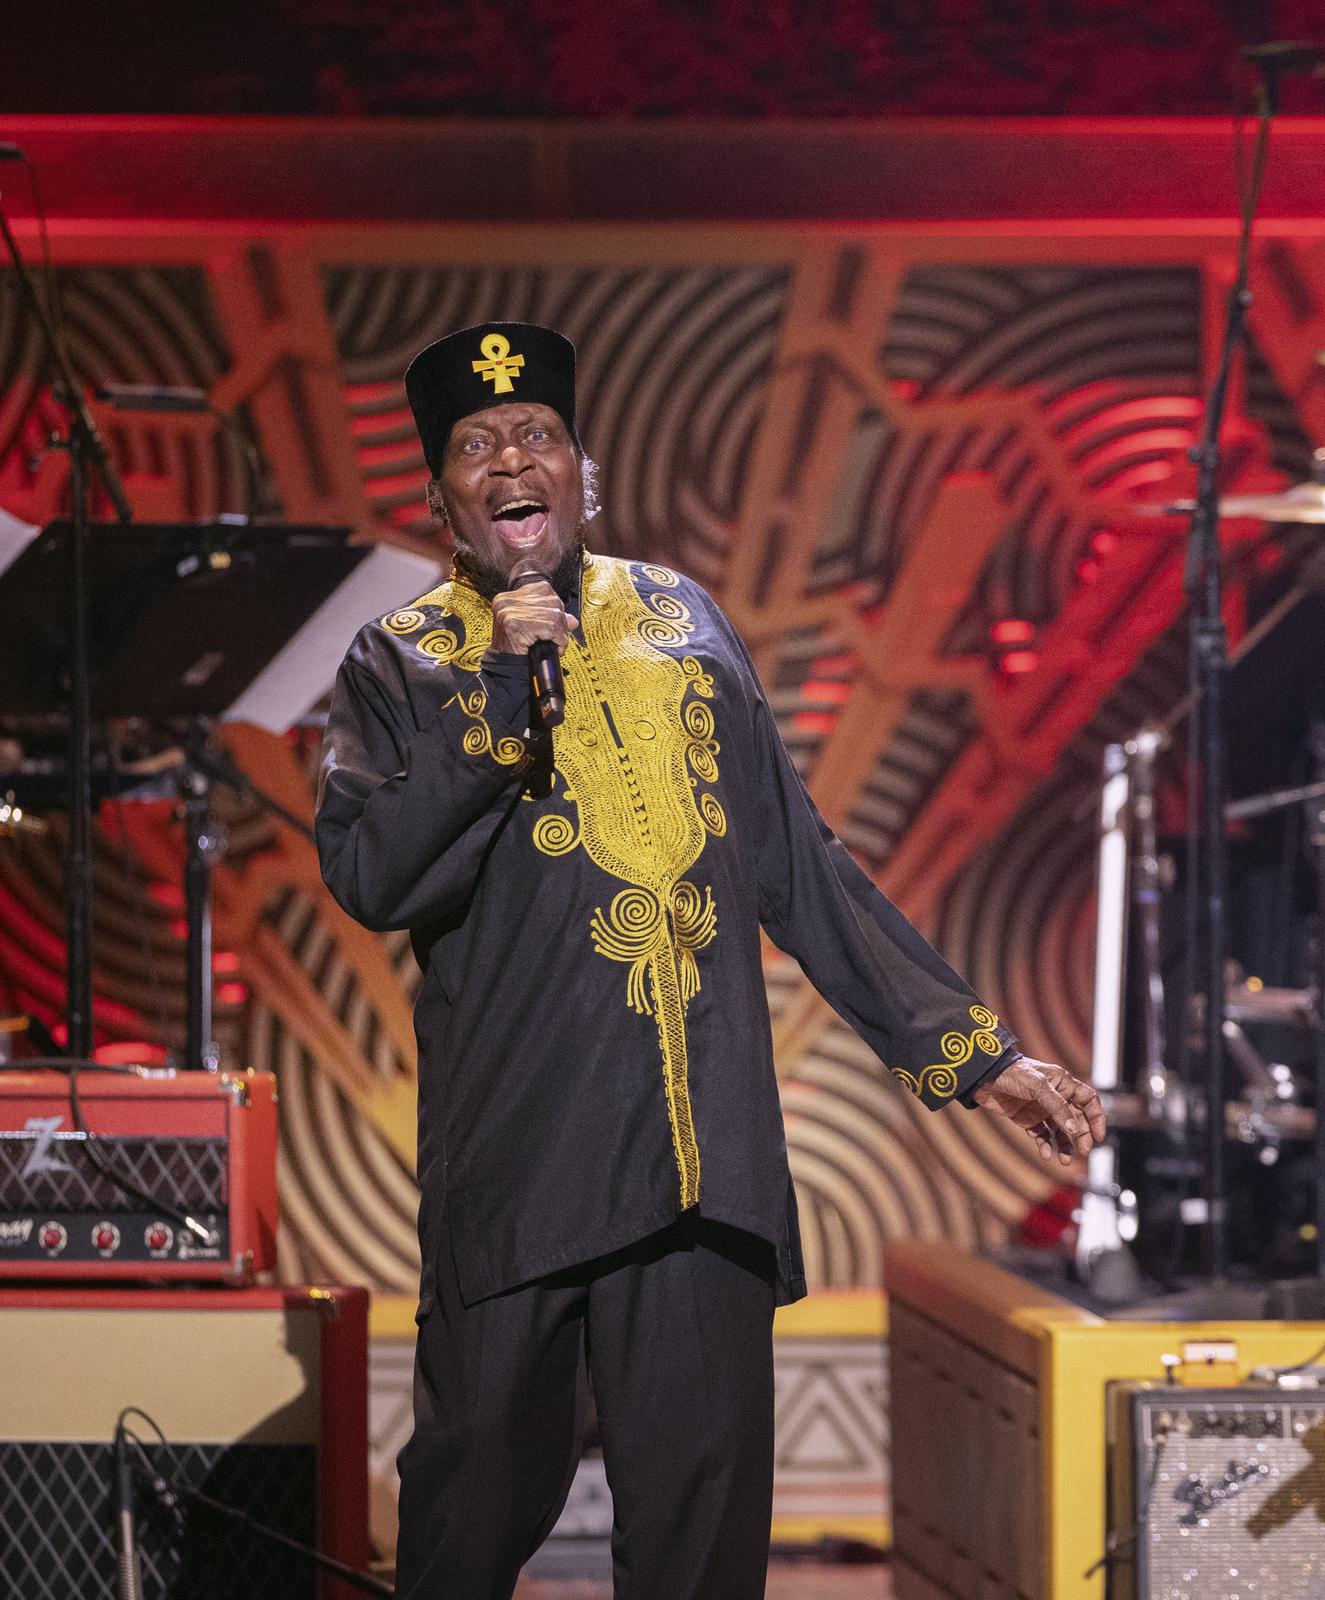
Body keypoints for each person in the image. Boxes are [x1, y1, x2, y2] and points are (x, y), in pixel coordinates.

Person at [315, 321, 1104, 1599]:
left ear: (585, 471)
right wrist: (501, 700)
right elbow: (370, 874)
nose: (513, 456)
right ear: (442, 500)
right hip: (522, 1165)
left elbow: (802, 869)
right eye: (477, 443)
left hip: (701, 1176)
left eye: (539, 434)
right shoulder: (403, 658)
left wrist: (978, 1056)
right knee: (465, 1529)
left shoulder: (684, 620)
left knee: (701, 1556)